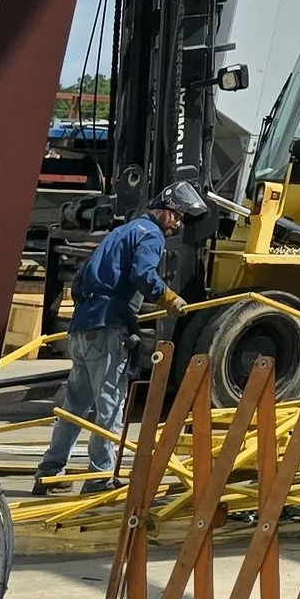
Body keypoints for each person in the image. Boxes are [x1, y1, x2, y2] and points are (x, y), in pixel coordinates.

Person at [35, 176, 204, 491]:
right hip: (109, 329)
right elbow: (143, 274)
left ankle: (49, 472)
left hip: (82, 328)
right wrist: (167, 297)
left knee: (75, 406)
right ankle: (99, 477)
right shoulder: (151, 235)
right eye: (178, 216)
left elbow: (80, 283)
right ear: (165, 210)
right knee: (110, 406)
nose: (178, 225)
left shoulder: (119, 232)